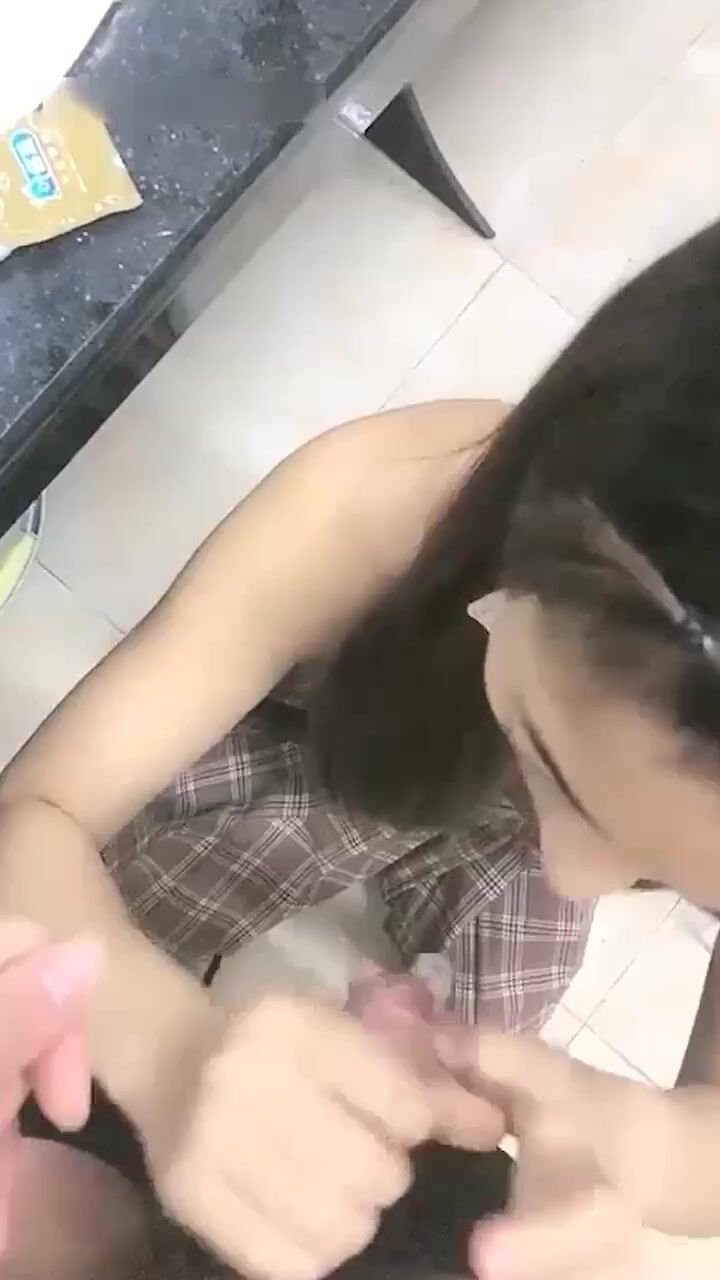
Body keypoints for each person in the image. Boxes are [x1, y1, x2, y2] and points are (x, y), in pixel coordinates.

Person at [5, 216, 720, 1276]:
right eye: (560, 770)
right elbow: (34, 819)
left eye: (694, 891)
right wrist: (164, 1046)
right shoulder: (373, 507)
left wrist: (630, 1134)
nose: (579, 879)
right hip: (323, 740)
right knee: (92, 940)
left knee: (484, 1036)